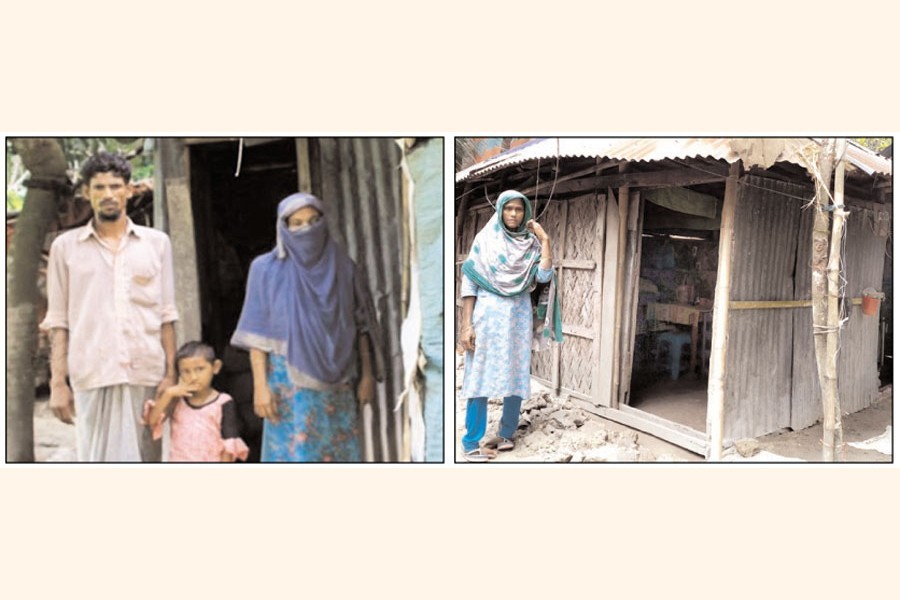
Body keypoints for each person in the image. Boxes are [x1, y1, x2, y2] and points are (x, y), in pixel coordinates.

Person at [40, 151, 178, 461]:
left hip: (145, 373)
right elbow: (58, 320)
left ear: (129, 190)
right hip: (91, 372)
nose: (108, 195)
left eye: (115, 186)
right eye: (99, 188)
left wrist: (170, 376)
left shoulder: (157, 244)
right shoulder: (65, 248)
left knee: (147, 461)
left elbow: (167, 314)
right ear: (86, 193)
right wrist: (57, 383)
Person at [230, 192, 382, 462]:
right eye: (297, 223)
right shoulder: (264, 270)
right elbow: (258, 336)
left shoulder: (344, 267)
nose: (306, 229)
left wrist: (368, 375)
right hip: (287, 385)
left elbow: (360, 327)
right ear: (283, 227)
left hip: (339, 382)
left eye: (313, 220)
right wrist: (260, 387)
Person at [458, 190, 562, 462]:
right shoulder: (485, 240)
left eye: (518, 209)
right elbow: (470, 283)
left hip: (517, 318)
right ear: (500, 211)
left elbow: (543, 275)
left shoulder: (530, 244)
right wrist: (466, 324)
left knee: (516, 376)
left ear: (525, 212)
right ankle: (470, 442)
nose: (514, 214)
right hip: (487, 317)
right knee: (479, 375)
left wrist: (545, 239)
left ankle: (506, 434)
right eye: (509, 209)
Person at [143, 341, 250, 462]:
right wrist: (168, 394)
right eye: (186, 371)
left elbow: (229, 444)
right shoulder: (178, 400)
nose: (193, 377)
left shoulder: (223, 402)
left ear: (215, 367)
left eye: (200, 369)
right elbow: (152, 420)